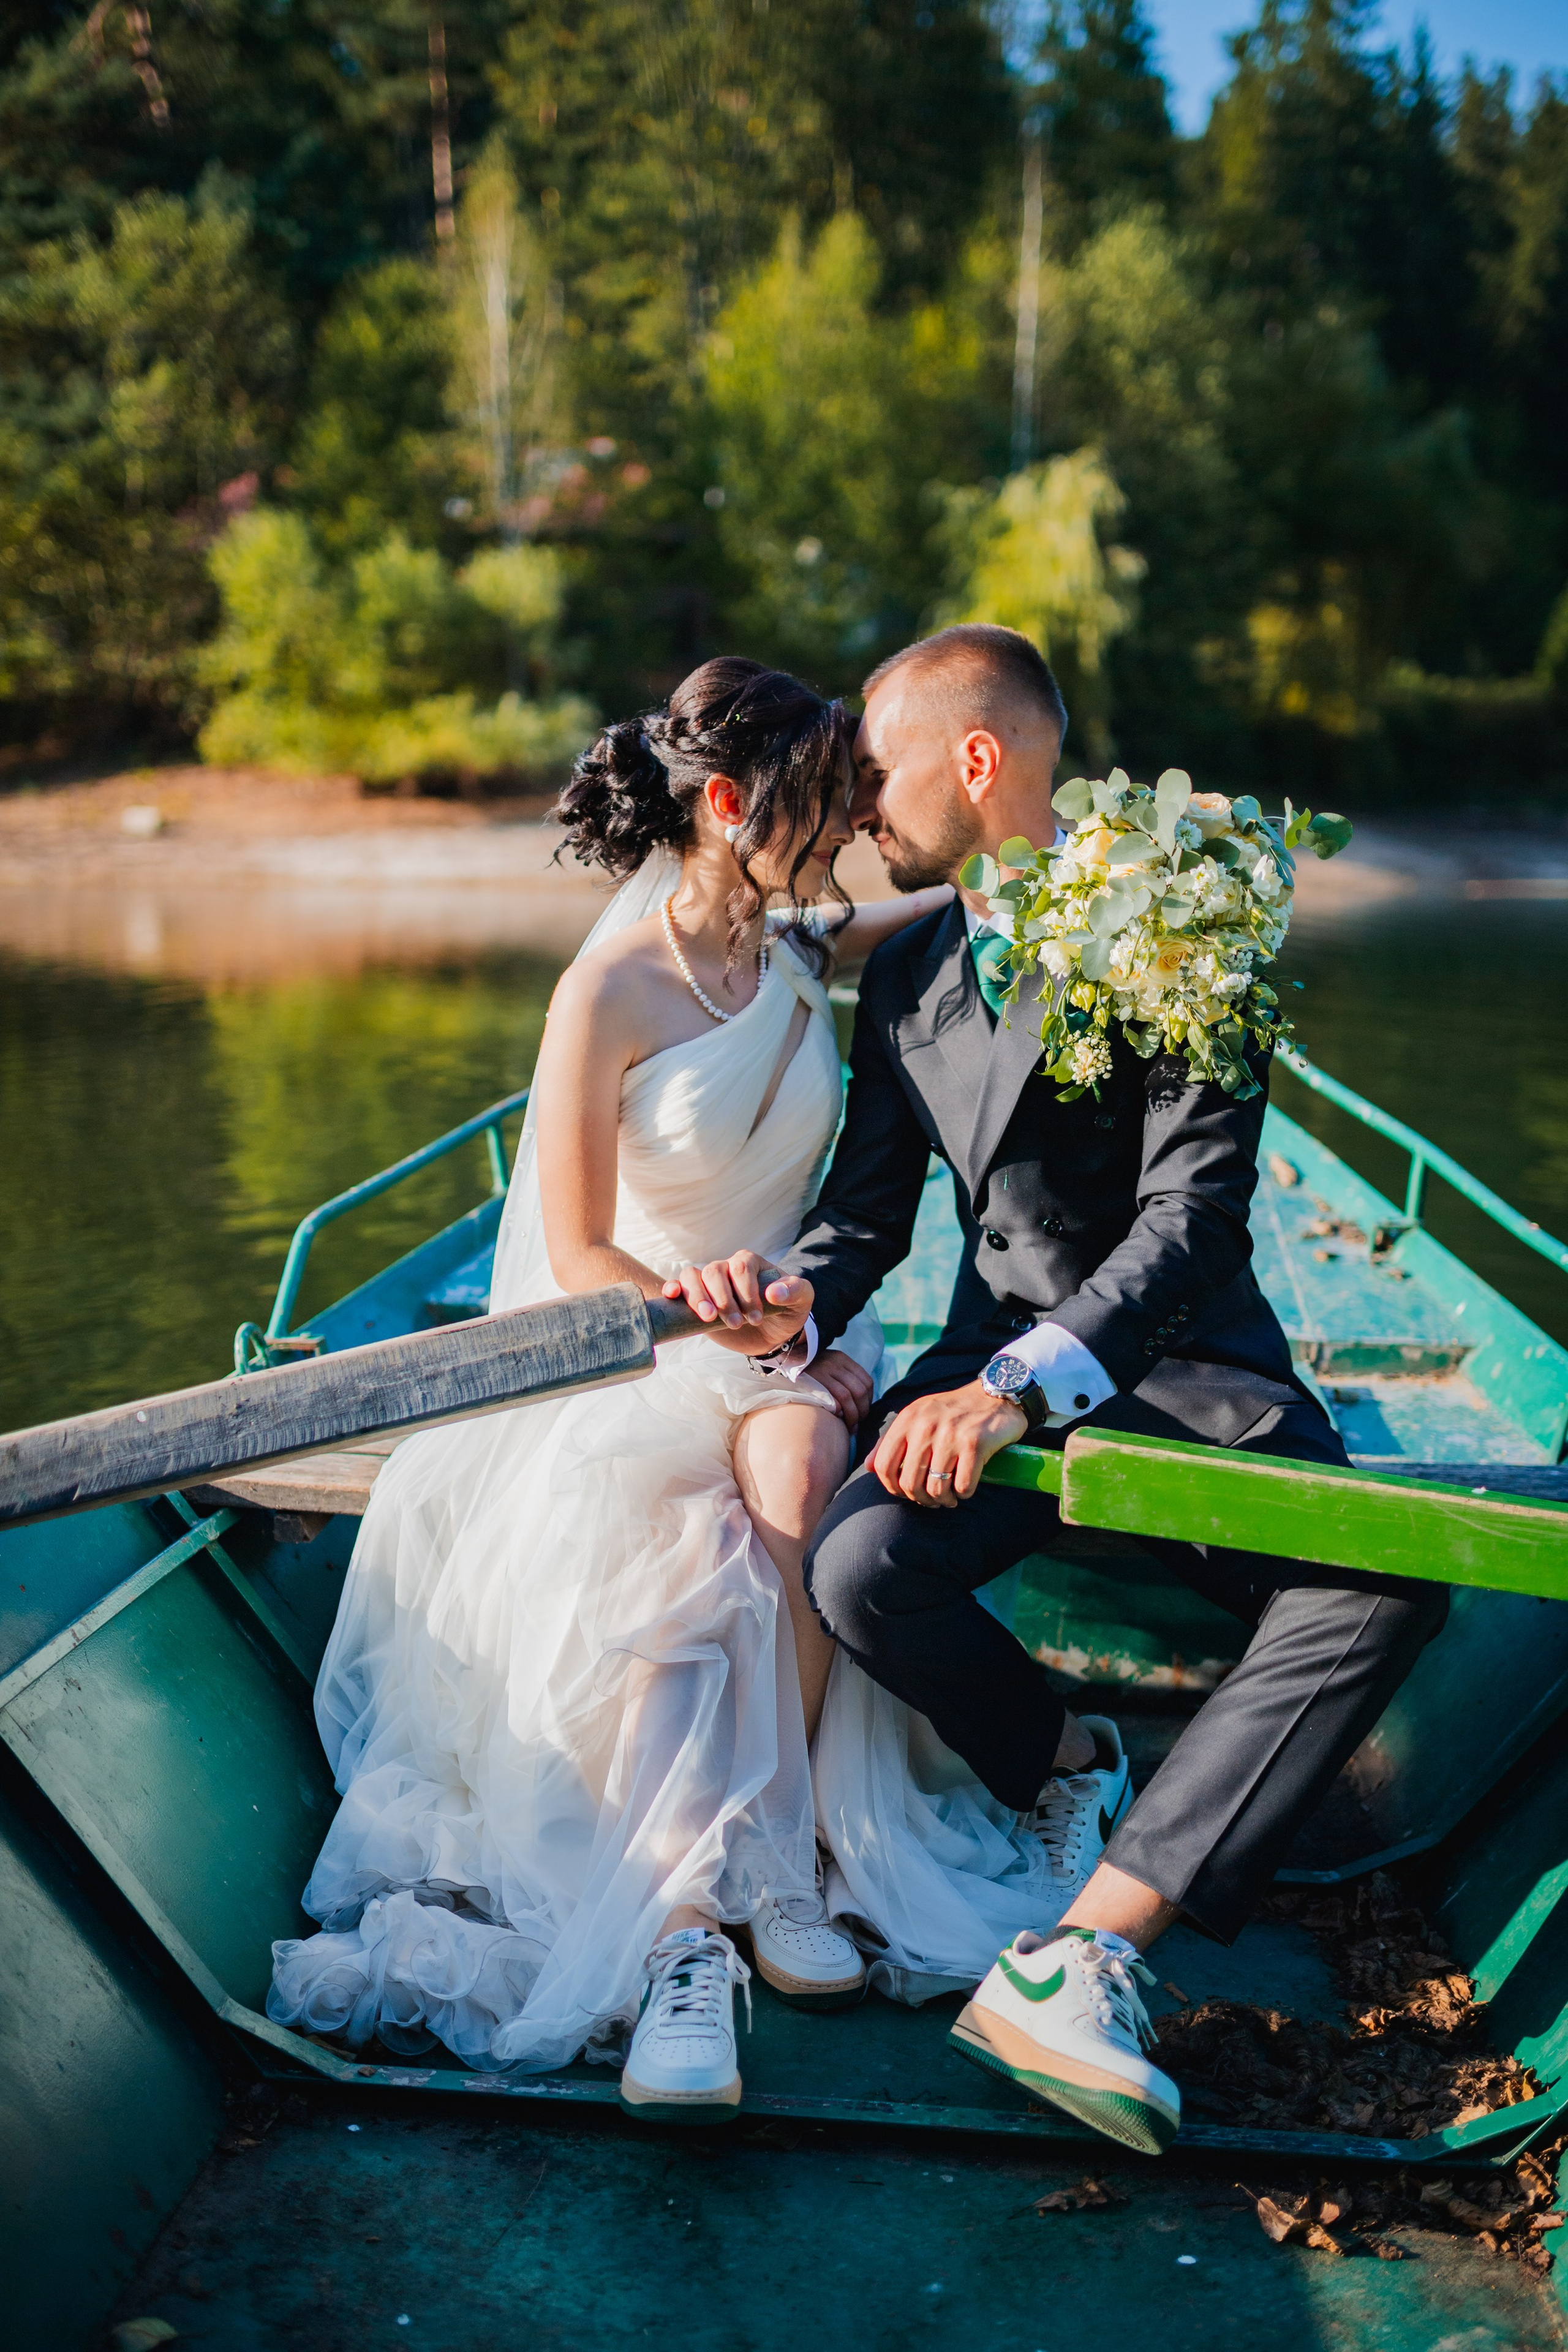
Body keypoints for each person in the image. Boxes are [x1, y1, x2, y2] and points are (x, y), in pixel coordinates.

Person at [688, 624, 1448, 2156]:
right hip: (985, 1358)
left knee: (1379, 1586)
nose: (856, 806)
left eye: (876, 772)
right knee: (858, 1568)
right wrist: (794, 1300)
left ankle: (1087, 1948)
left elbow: (1191, 1218)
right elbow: (866, 1213)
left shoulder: (1183, 916)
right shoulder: (904, 970)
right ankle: (1063, 1762)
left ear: (976, 760)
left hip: (1182, 1364)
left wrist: (1016, 1394)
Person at [268, 657, 951, 2120]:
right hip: (638, 1334)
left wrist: (1070, 864)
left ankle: (785, 1861)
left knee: (799, 1474)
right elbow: (575, 1248)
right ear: (727, 805)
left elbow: (948, 891)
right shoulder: (608, 988)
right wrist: (694, 1310)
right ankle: (679, 1922)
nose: (850, 818)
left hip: (777, 1334)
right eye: (824, 795)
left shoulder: (794, 944)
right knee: (671, 1534)